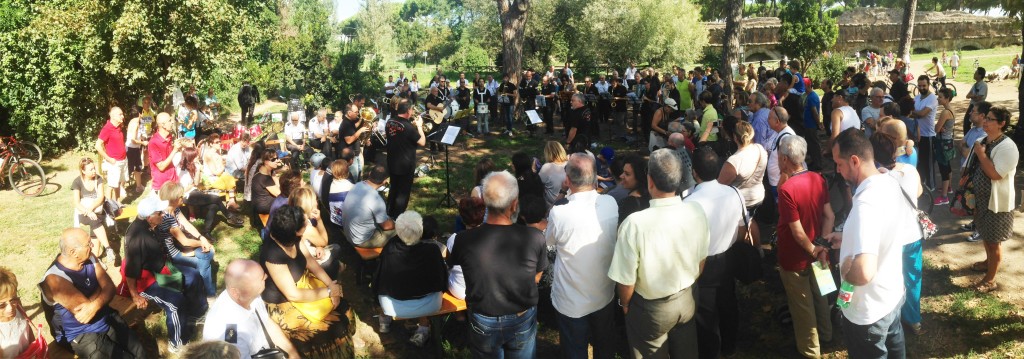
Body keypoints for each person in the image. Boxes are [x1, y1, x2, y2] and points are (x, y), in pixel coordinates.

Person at [609, 149, 709, 358]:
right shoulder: (696, 210)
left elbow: (626, 280)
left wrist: (625, 304)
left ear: (650, 181)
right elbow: (701, 260)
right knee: (687, 350)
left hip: (651, 309)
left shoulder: (634, 224)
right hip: (687, 297)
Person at [827, 128, 918, 358]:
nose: (837, 170)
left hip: (867, 311)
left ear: (854, 161)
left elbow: (863, 273)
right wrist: (848, 239)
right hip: (891, 295)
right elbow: (883, 230)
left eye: (839, 163)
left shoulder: (865, 203)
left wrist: (845, 265)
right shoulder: (889, 181)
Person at [449, 171, 549, 358]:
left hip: (483, 316)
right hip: (521, 314)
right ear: (514, 204)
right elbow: (536, 276)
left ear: (485, 203)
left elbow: (456, 266)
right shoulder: (535, 237)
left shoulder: (463, 240)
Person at [545, 154, 619, 359]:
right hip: (604, 292)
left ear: (567, 180)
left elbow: (548, 242)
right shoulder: (610, 203)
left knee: (574, 349)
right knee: (604, 346)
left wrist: (561, 195)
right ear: (595, 178)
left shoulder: (560, 213)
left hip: (572, 299)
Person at [260, 205, 353, 357]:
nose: (308, 223)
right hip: (282, 302)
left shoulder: (295, 238)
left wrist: (331, 284)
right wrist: (329, 292)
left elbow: (310, 262)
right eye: (305, 223)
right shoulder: (272, 254)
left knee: (342, 305)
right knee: (323, 332)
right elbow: (293, 295)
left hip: (303, 286)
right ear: (295, 231)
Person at [40, 228, 146, 357]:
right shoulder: (55, 280)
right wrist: (102, 289)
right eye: (88, 244)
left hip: (104, 315)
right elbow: (85, 313)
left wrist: (96, 301)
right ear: (73, 252)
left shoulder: (89, 256)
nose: (93, 245)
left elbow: (111, 287)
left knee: (139, 350)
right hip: (80, 334)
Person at [683, 147, 747, 359]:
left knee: (705, 311)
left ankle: (711, 351)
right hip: (728, 257)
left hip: (704, 263)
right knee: (728, 301)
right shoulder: (734, 193)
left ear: (694, 172)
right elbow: (742, 227)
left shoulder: (689, 203)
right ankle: (729, 345)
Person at [122, 196, 208, 353]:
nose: (163, 215)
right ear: (150, 217)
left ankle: (196, 314)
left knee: (193, 276)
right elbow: (130, 270)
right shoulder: (136, 237)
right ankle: (177, 343)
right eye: (160, 213)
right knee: (175, 302)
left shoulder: (149, 225)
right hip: (147, 282)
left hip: (161, 269)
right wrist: (135, 295)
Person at [775, 135, 835, 357]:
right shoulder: (818, 179)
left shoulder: (787, 190)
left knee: (802, 306)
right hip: (819, 251)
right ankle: (827, 334)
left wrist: (812, 249)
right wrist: (822, 246)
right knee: (820, 294)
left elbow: (797, 231)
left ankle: (810, 351)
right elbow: (829, 215)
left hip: (795, 256)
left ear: (784, 158)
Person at [870, 130, 925, 334]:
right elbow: (918, 192)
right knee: (912, 278)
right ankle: (913, 319)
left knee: (887, 279)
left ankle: (890, 318)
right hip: (912, 234)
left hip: (888, 239)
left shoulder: (875, 180)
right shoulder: (910, 170)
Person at [373, 211, 448, 347]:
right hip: (429, 304)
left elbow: (378, 281)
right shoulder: (433, 250)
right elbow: (442, 280)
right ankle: (423, 328)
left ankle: (384, 320)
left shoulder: (390, 248)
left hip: (393, 305)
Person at [201, 259, 299, 358]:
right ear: (236, 292)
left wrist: (292, 352)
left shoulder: (249, 295)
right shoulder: (231, 334)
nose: (266, 276)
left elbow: (267, 322)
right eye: (261, 278)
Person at [968, 107, 1019, 293]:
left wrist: (981, 154)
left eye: (990, 119)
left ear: (1001, 123)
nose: (985, 121)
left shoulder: (1008, 147)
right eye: (986, 117)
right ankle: (988, 262)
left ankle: (990, 280)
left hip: (997, 203)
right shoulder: (983, 140)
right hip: (981, 201)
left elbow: (996, 175)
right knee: (985, 234)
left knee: (993, 241)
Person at [157, 182, 217, 298]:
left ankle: (205, 291)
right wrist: (203, 243)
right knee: (204, 259)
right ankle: (209, 293)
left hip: (178, 247)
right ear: (174, 199)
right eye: (181, 196)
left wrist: (201, 237)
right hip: (172, 254)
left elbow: (187, 225)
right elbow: (185, 241)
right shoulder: (167, 217)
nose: (183, 198)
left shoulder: (175, 209)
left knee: (206, 255)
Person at [290, 186, 344, 280]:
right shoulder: (305, 227)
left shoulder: (291, 216)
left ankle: (337, 269)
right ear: (308, 205)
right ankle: (335, 277)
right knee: (336, 248)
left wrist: (318, 246)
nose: (317, 201)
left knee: (334, 259)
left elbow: (318, 243)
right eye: (315, 200)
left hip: (299, 260)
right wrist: (319, 220)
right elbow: (324, 241)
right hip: (307, 266)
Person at [385, 100, 426, 218]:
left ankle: (389, 212)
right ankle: (398, 216)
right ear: (408, 111)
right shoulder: (408, 127)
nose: (412, 111)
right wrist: (419, 127)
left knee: (393, 188)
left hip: (392, 161)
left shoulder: (390, 121)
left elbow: (400, 135)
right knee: (403, 193)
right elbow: (422, 142)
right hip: (405, 165)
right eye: (412, 109)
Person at [342, 165, 396, 248]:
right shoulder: (377, 200)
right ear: (385, 181)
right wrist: (397, 223)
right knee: (400, 230)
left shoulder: (357, 185)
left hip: (348, 232)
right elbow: (386, 226)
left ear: (370, 173)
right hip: (361, 240)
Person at [718, 121, 768, 210]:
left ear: (735, 137)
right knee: (749, 221)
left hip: (742, 201)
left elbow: (719, 186)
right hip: (759, 195)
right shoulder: (760, 148)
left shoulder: (733, 161)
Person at [71, 158, 113, 262]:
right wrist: (88, 211)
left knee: (95, 223)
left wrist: (91, 209)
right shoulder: (77, 182)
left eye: (94, 168)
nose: (94, 171)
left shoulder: (98, 179)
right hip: (83, 212)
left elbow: (101, 198)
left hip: (97, 210)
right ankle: (108, 248)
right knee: (95, 221)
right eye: (91, 169)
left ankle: (96, 259)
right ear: (83, 171)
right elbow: (76, 203)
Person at [447, 197, 485, 299]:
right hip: (485, 288)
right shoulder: (492, 235)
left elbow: (449, 265)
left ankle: (460, 315)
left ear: (462, 219)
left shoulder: (453, 239)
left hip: (460, 290)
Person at [912, 75, 939, 189]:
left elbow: (923, 114)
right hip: (918, 135)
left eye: (924, 85)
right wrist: (915, 112)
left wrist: (913, 112)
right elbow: (914, 112)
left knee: (929, 163)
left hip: (928, 136)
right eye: (919, 86)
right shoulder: (917, 98)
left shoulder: (932, 98)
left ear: (929, 85)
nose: (921, 88)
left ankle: (931, 185)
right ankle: (921, 184)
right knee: (919, 162)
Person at [96, 106, 128, 203]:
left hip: (123, 160)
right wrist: (109, 159)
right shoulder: (107, 128)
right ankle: (109, 207)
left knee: (117, 183)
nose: (123, 116)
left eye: (122, 114)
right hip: (114, 162)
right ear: (113, 116)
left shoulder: (118, 127)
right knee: (111, 185)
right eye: (120, 114)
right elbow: (97, 145)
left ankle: (118, 203)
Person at [0, 267, 34, 358]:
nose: (10, 308)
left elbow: (28, 329)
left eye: (13, 300)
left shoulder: (17, 306)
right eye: (1, 305)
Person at [933, 88, 957, 205]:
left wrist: (938, 127)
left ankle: (944, 197)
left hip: (942, 142)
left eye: (940, 97)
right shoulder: (951, 109)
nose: (938, 98)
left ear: (947, 98)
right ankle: (948, 188)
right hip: (948, 141)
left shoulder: (945, 112)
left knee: (943, 169)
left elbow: (936, 129)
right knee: (947, 166)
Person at [767, 106, 797, 196]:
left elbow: (788, 166)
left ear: (777, 122)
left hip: (779, 184)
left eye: (769, 118)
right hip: (776, 182)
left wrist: (780, 187)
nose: (767, 120)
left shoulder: (785, 137)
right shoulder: (781, 133)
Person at [150, 112, 181, 192]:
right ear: (163, 125)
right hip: (163, 186)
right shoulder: (154, 142)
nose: (172, 122)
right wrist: (175, 150)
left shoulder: (169, 137)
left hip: (173, 180)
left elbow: (169, 157)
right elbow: (161, 167)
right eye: (170, 121)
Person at [616, 154, 650, 224]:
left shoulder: (628, 204)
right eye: (623, 172)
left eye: (627, 174)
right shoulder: (652, 196)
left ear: (639, 177)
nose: (621, 176)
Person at [339, 104, 368, 181]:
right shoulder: (345, 124)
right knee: (353, 178)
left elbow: (354, 128)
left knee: (358, 175)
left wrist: (361, 120)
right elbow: (349, 141)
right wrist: (360, 131)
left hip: (355, 153)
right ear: (349, 113)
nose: (358, 114)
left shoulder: (350, 121)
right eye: (356, 112)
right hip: (349, 156)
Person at [251, 149, 283, 219]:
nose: (277, 161)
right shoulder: (264, 177)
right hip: (264, 206)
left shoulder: (267, 170)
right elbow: (279, 193)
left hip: (265, 202)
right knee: (287, 200)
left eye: (277, 158)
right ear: (266, 162)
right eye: (273, 159)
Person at [123, 106, 148, 193]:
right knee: (129, 169)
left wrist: (142, 138)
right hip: (130, 149)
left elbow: (137, 136)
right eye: (142, 113)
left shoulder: (137, 122)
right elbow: (133, 140)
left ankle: (139, 186)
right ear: (139, 113)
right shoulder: (134, 123)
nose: (143, 115)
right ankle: (121, 188)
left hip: (135, 149)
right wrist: (143, 143)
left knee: (138, 167)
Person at [539, 141, 569, 208]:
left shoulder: (547, 167)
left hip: (553, 206)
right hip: (570, 203)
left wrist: (533, 170)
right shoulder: (570, 164)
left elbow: (537, 184)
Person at [963, 67, 987, 138]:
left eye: (976, 73)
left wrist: (972, 95)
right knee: (966, 122)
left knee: (976, 123)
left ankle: (976, 138)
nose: (974, 74)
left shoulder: (983, 85)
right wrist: (974, 96)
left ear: (980, 75)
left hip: (979, 107)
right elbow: (967, 95)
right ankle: (967, 137)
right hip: (972, 105)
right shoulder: (975, 85)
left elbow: (978, 98)